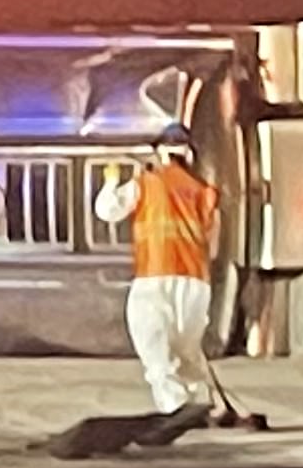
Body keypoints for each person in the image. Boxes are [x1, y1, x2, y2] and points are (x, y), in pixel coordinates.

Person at [94, 126, 221, 416]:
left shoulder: (146, 184)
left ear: (161, 153)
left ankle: (175, 403)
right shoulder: (204, 191)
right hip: (195, 281)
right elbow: (213, 242)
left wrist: (111, 182)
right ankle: (201, 401)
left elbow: (107, 210)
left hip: (155, 273)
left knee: (151, 338)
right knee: (187, 348)